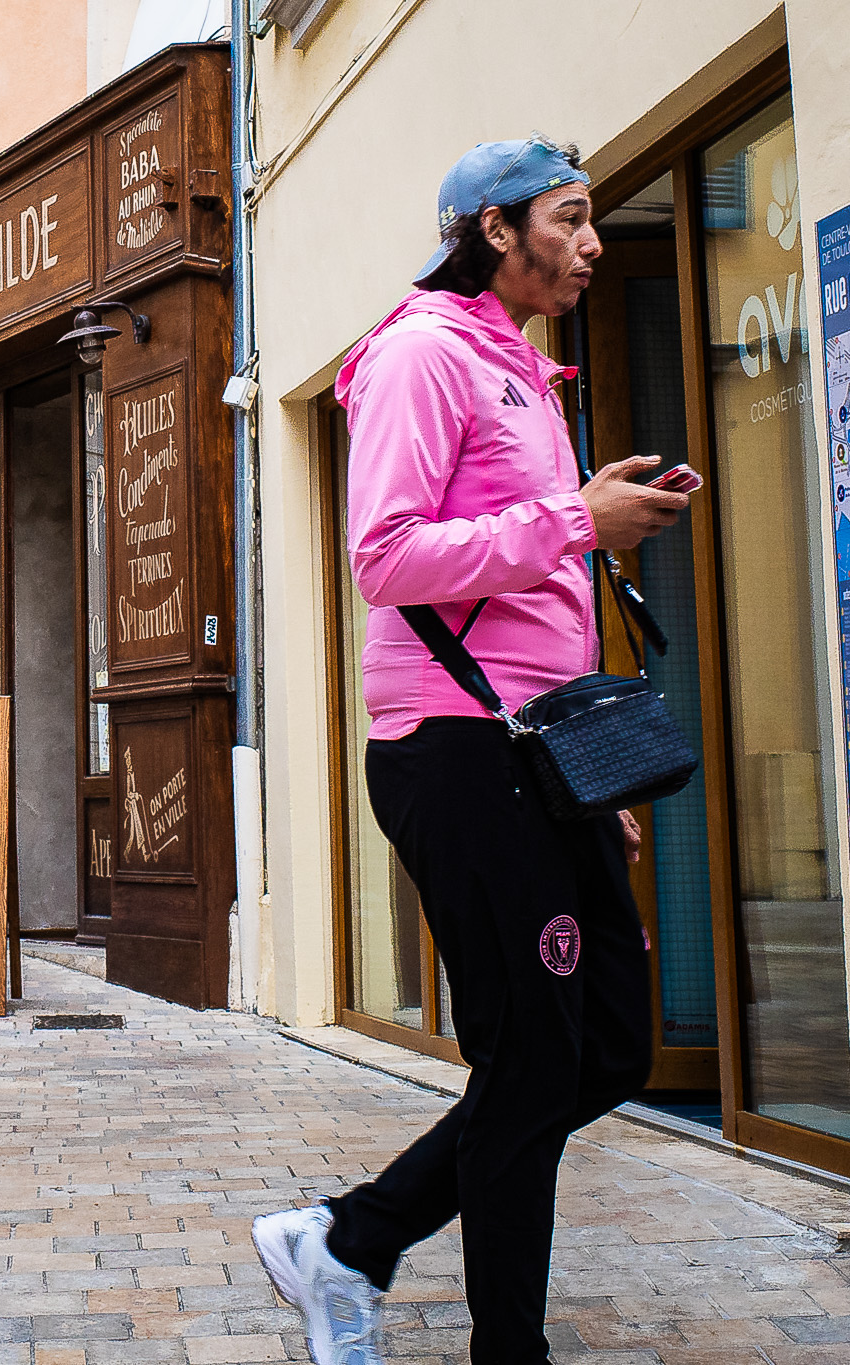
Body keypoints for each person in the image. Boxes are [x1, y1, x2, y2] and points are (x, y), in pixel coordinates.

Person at [251, 139, 692, 1364]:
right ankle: (477, 1327)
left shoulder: (520, 371)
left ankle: (348, 1242)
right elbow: (383, 558)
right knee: (533, 1056)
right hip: (456, 751)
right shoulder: (417, 355)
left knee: (600, 1048)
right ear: (493, 229)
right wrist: (571, 519)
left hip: (539, 756)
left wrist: (587, 779)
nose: (592, 241)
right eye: (570, 216)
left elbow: (523, 578)